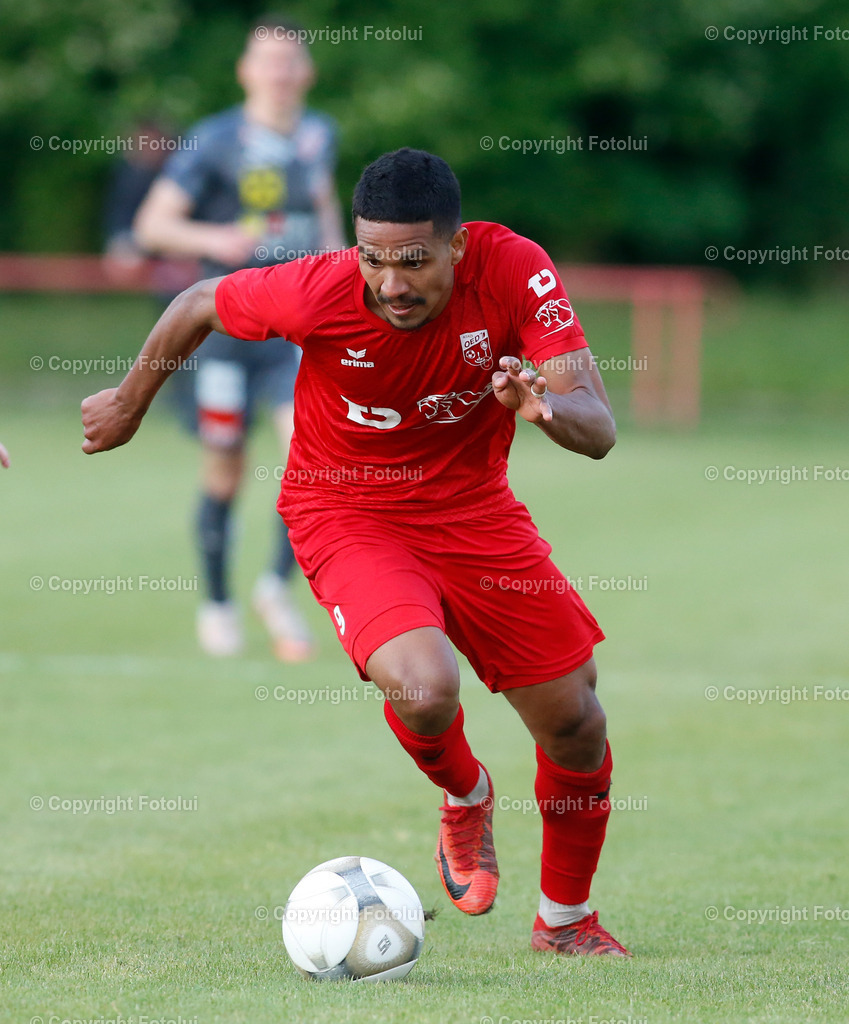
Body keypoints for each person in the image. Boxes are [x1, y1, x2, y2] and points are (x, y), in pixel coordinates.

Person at [82, 148, 630, 956]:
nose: (390, 283)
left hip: (474, 513)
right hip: (347, 509)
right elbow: (199, 299)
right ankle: (464, 792)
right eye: (374, 258)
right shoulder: (320, 289)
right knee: (423, 686)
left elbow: (599, 427)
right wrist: (129, 403)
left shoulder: (515, 270)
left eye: (412, 261)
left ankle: (565, 924)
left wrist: (543, 407)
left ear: (457, 246)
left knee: (576, 723)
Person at [134, 16, 346, 659]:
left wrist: (344, 271)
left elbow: (323, 208)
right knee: (225, 471)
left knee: (313, 461)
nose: (279, 74)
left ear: (306, 72)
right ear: (245, 70)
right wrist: (213, 241)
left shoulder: (320, 134)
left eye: (290, 62)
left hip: (297, 334)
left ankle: (275, 589)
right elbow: (152, 225)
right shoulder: (214, 140)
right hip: (226, 334)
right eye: (266, 61)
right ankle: (218, 602)